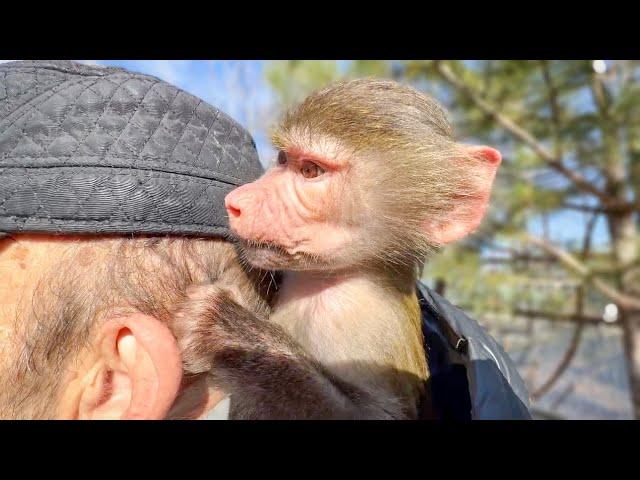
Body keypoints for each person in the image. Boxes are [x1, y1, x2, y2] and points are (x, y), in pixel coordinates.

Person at [0, 60, 531, 419]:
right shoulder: (291, 264)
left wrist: (252, 350)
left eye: (312, 170)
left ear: (450, 204)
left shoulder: (376, 311)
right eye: (281, 159)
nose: (240, 198)